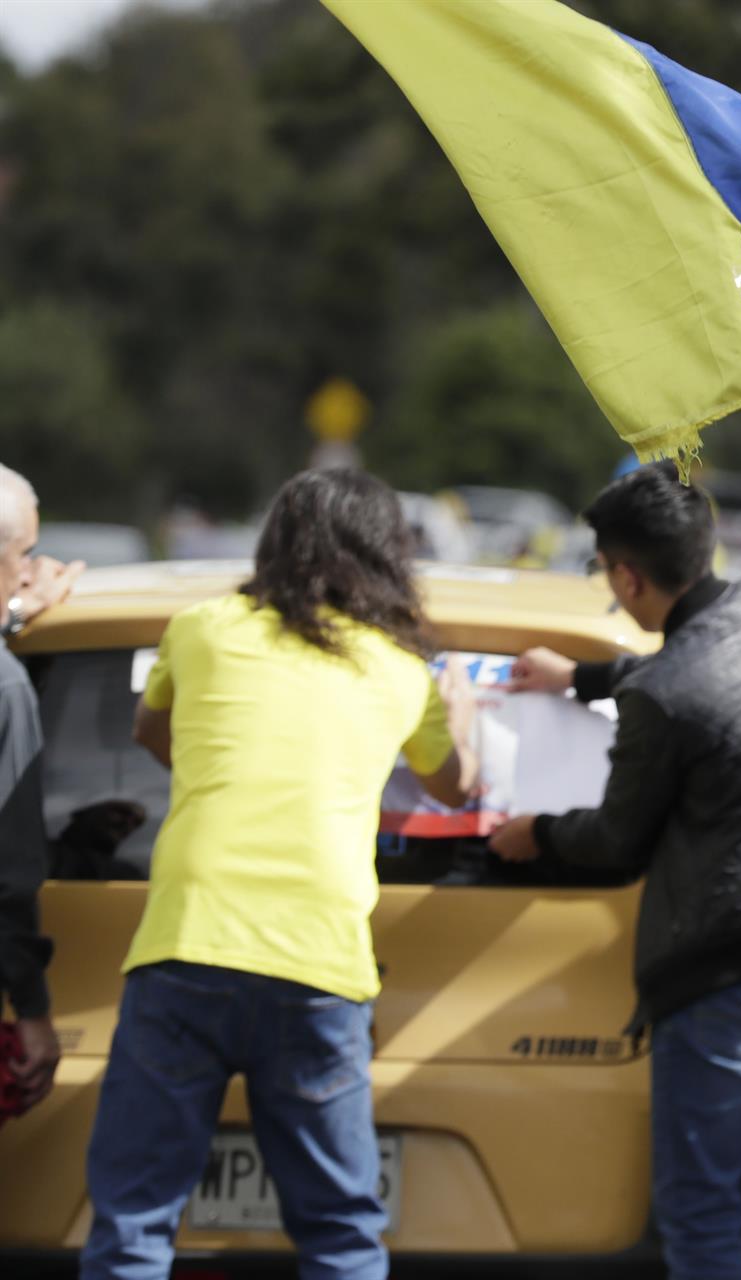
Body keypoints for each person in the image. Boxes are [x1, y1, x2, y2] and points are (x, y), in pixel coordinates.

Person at [81, 469, 478, 1280]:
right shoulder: (402, 671)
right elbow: (457, 786)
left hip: (187, 944)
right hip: (317, 960)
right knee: (339, 1233)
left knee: (133, 1222)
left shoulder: (200, 629)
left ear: (275, 541)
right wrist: (460, 701)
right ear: (384, 555)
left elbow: (153, 733)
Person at [488, 462, 741, 1280]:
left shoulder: (665, 695)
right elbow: (706, 674)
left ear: (626, 574)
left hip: (729, 982)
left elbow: (616, 838)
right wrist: (583, 678)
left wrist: (538, 831)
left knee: (701, 1211)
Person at [0, 463, 84, 1121]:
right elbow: (11, 876)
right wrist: (31, 1007)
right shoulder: (6, 689)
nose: (30, 570)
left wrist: (19, 615)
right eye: (22, 553)